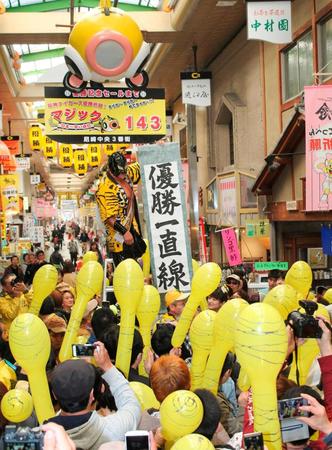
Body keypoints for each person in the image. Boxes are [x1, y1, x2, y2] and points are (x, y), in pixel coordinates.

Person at [47, 342, 141, 450]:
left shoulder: (40, 438)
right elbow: (131, 404)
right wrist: (108, 366)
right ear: (92, 395)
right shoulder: (113, 430)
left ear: (54, 395)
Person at [95, 151, 143, 266]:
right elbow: (108, 218)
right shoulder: (104, 187)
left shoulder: (127, 172)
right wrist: (124, 232)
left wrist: (158, 148)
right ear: (112, 170)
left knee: (138, 265)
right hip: (118, 238)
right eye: (120, 173)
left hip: (133, 229)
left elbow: (143, 165)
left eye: (124, 172)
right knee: (124, 269)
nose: (123, 175)